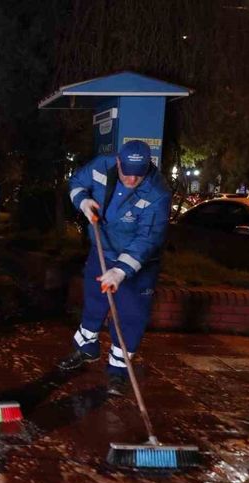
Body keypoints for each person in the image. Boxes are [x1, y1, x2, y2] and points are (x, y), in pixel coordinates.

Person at [57, 140, 170, 395]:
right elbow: (76, 183)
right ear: (118, 162)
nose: (131, 180)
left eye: (137, 175)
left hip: (138, 262)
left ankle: (118, 369)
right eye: (126, 173)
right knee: (95, 299)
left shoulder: (158, 191)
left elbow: (148, 238)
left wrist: (120, 271)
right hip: (103, 247)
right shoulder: (101, 166)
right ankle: (86, 347)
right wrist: (84, 202)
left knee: (131, 314)